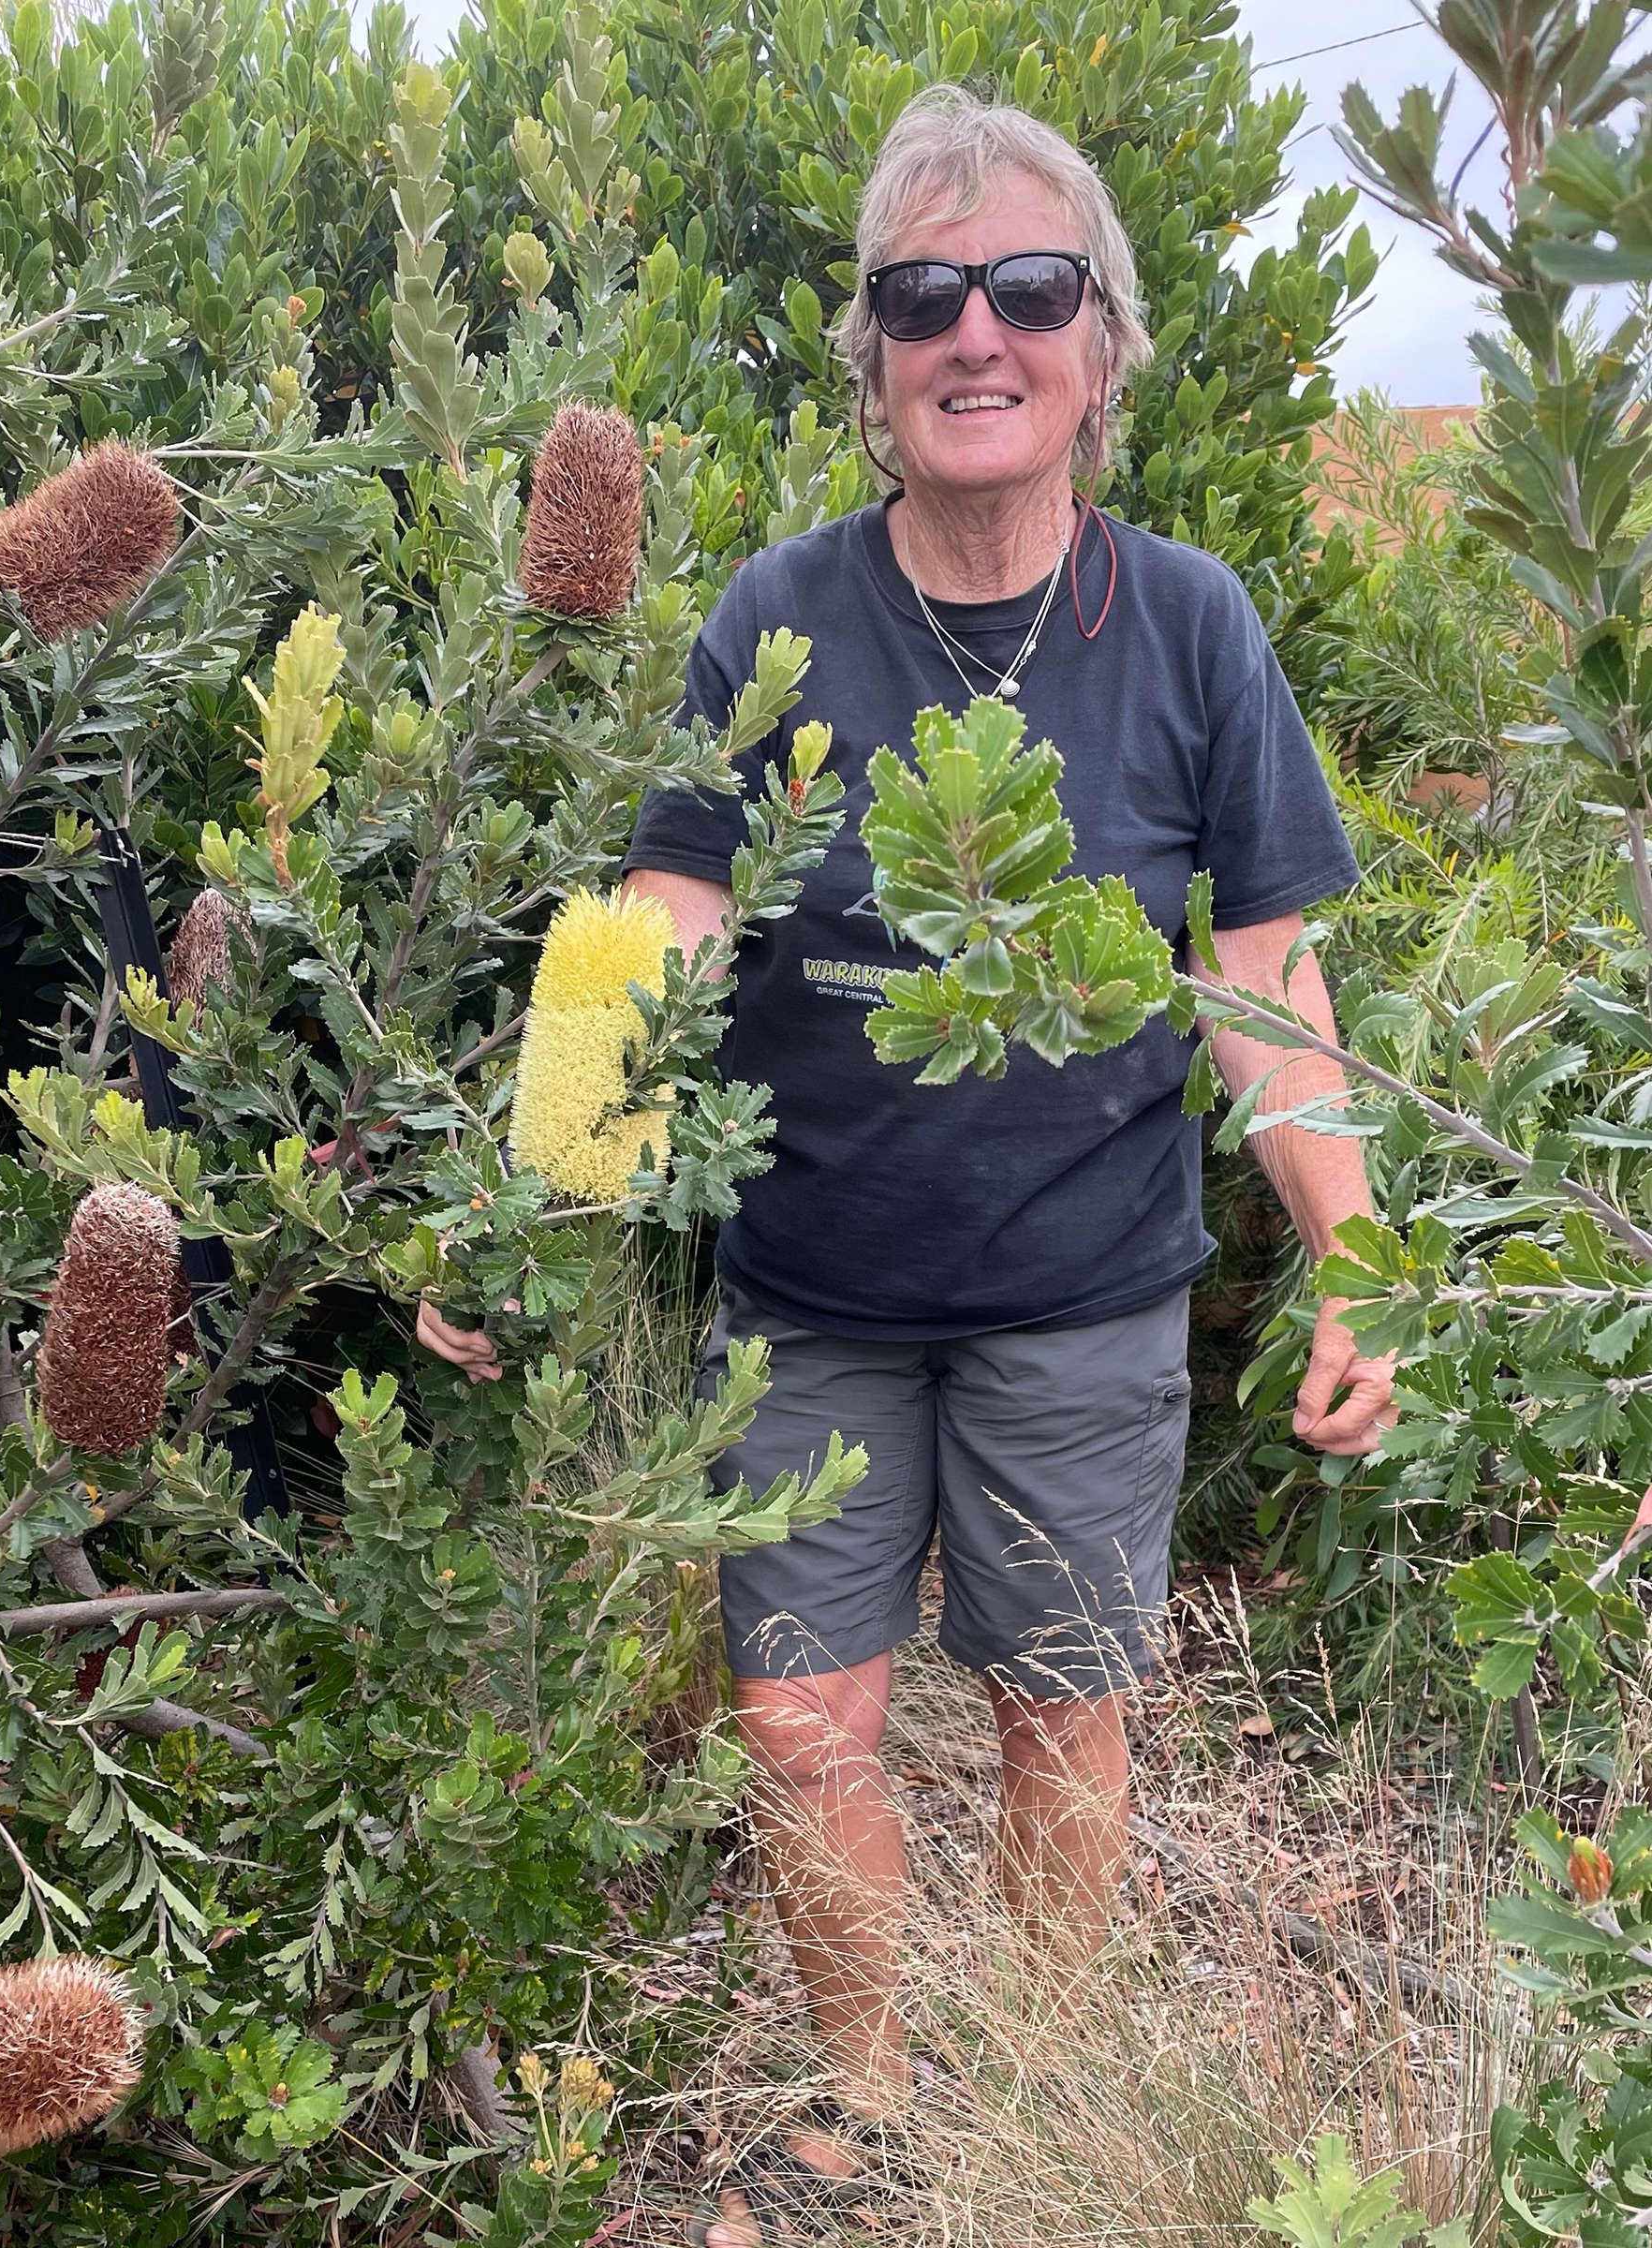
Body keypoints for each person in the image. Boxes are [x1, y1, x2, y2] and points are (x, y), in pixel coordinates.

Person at [419, 83, 1397, 2247]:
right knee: (799, 1727)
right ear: (870, 354)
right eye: (922, 294)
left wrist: (1355, 1260)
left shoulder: (1196, 629)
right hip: (817, 1297)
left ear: (1101, 344)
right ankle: (863, 2100)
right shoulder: (778, 617)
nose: (979, 332)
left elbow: (1264, 975)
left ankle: (1043, 2100)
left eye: (1027, 289)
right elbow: (663, 924)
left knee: (1062, 1718)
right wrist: (534, 1193)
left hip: (1083, 1297)